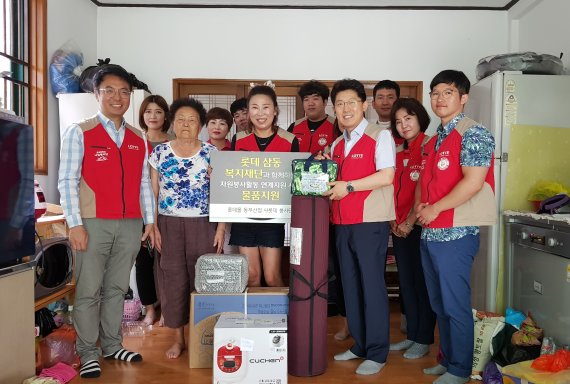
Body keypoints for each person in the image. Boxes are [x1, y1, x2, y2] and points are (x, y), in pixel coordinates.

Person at [58, 65, 155, 379]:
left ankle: (112, 344)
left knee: (116, 289)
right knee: (88, 290)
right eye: (110, 90)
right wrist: (75, 224)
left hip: (129, 224)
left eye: (124, 91)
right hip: (92, 222)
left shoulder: (138, 138)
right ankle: (88, 352)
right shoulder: (80, 131)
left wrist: (149, 222)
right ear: (96, 94)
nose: (118, 97)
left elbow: (144, 184)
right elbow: (66, 181)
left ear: (131, 96)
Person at [417, 70, 495, 384]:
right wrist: (425, 207)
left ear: (463, 97)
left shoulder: (474, 132)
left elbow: (473, 182)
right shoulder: (438, 135)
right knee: (439, 303)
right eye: (435, 92)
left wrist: (435, 207)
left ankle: (460, 369)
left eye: (447, 92)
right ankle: (448, 358)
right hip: (431, 232)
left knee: (455, 304)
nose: (439, 98)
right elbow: (435, 182)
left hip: (456, 234)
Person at [322, 79, 396, 376]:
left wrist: (349, 186)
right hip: (341, 224)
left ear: (364, 105)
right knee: (349, 287)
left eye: (351, 102)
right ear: (335, 109)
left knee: (372, 286)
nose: (345, 108)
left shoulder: (381, 136)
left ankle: (377, 352)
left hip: (369, 223)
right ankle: (361, 344)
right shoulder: (338, 144)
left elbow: (387, 176)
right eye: (339, 104)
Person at [150, 97, 225, 360]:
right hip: (168, 223)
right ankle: (178, 338)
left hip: (204, 222)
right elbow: (153, 193)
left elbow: (221, 193)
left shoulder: (212, 153)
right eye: (181, 119)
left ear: (201, 125)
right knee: (173, 279)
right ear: (172, 121)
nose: (186, 124)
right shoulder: (159, 153)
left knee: (204, 280)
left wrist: (221, 228)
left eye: (192, 120)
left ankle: (203, 337)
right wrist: (154, 225)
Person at [230, 83, 299, 287]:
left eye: (266, 107)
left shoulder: (289, 140)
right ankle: (254, 319)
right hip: (244, 215)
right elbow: (233, 177)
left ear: (275, 110)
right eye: (255, 107)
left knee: (272, 277)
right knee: (251, 277)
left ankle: (279, 319)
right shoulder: (238, 139)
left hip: (273, 216)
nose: (260, 113)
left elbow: (294, 179)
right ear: (249, 111)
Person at [388, 98, 436, 359]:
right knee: (407, 284)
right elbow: (391, 189)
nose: (403, 125)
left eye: (408, 118)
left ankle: (424, 338)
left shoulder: (431, 145)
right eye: (398, 121)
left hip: (419, 225)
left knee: (421, 284)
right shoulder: (397, 151)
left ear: (419, 118)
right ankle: (412, 336)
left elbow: (428, 189)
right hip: (398, 226)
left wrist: (409, 221)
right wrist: (392, 220)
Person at [136, 94, 172, 327]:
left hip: (169, 210)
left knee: (168, 262)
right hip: (139, 209)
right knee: (144, 260)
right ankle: (150, 308)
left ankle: (169, 310)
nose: (153, 116)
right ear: (142, 115)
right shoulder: (135, 140)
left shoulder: (173, 142)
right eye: (148, 111)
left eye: (158, 111)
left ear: (165, 116)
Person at [287, 80, 336, 154]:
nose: (310, 103)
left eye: (315, 99)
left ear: (325, 102)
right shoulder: (294, 126)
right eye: (306, 99)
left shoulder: (336, 126)